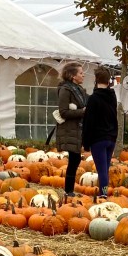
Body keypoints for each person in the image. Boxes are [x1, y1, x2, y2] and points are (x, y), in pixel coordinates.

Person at [82, 67, 118, 198]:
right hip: (111, 137)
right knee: (105, 169)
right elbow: (114, 117)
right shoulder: (112, 97)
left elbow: (89, 122)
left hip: (98, 139)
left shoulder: (94, 98)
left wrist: (86, 143)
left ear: (96, 80)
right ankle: (103, 191)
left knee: (101, 169)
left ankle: (103, 194)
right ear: (108, 81)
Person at [56, 62, 87, 196]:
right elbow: (63, 112)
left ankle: (69, 190)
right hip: (70, 130)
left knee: (76, 159)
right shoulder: (65, 90)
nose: (83, 75)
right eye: (81, 73)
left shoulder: (79, 90)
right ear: (73, 76)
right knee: (74, 159)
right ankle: (69, 191)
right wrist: (83, 111)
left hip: (78, 129)